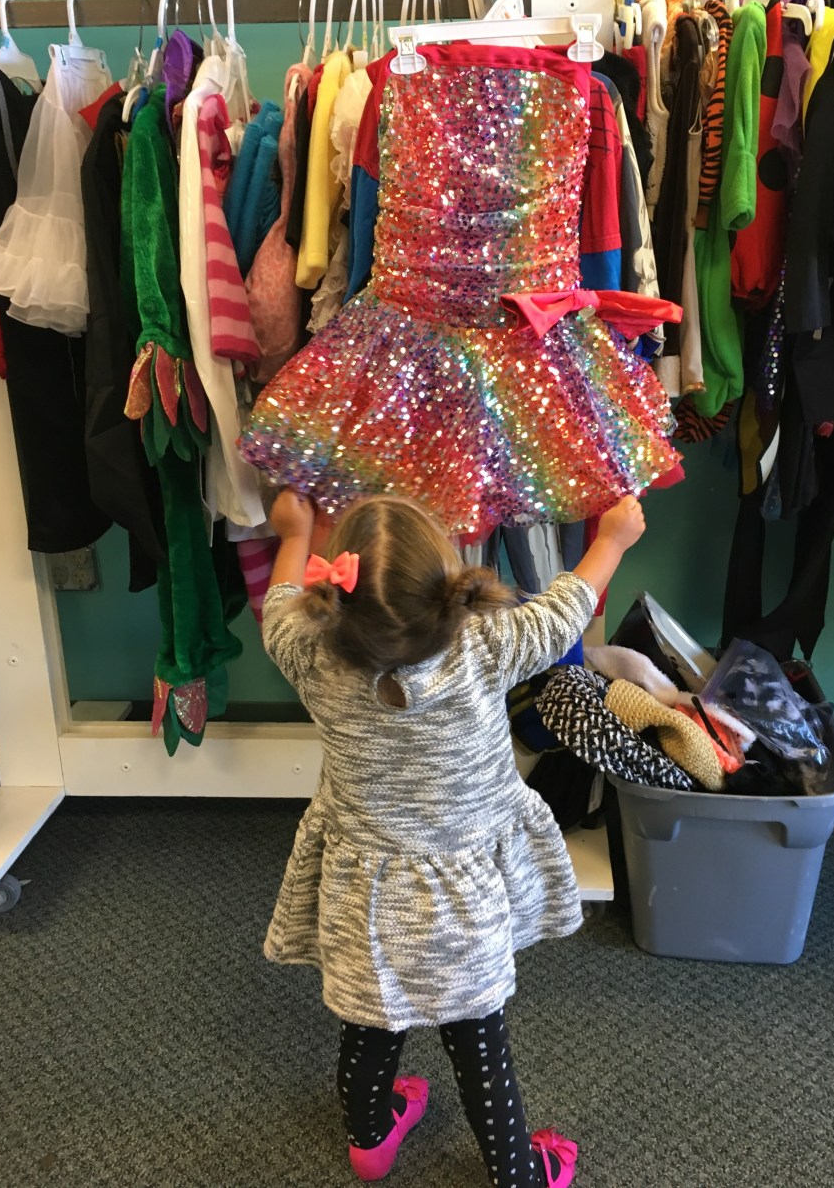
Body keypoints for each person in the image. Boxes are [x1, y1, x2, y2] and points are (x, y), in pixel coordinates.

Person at [262, 489, 646, 1187]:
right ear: (447, 586)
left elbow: (278, 606)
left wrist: (293, 534)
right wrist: (612, 539)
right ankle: (518, 1173)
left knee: (369, 1025)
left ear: (337, 594)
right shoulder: (486, 644)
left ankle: (370, 1142)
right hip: (459, 902)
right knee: (478, 1043)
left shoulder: (311, 651)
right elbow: (566, 608)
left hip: (365, 896)